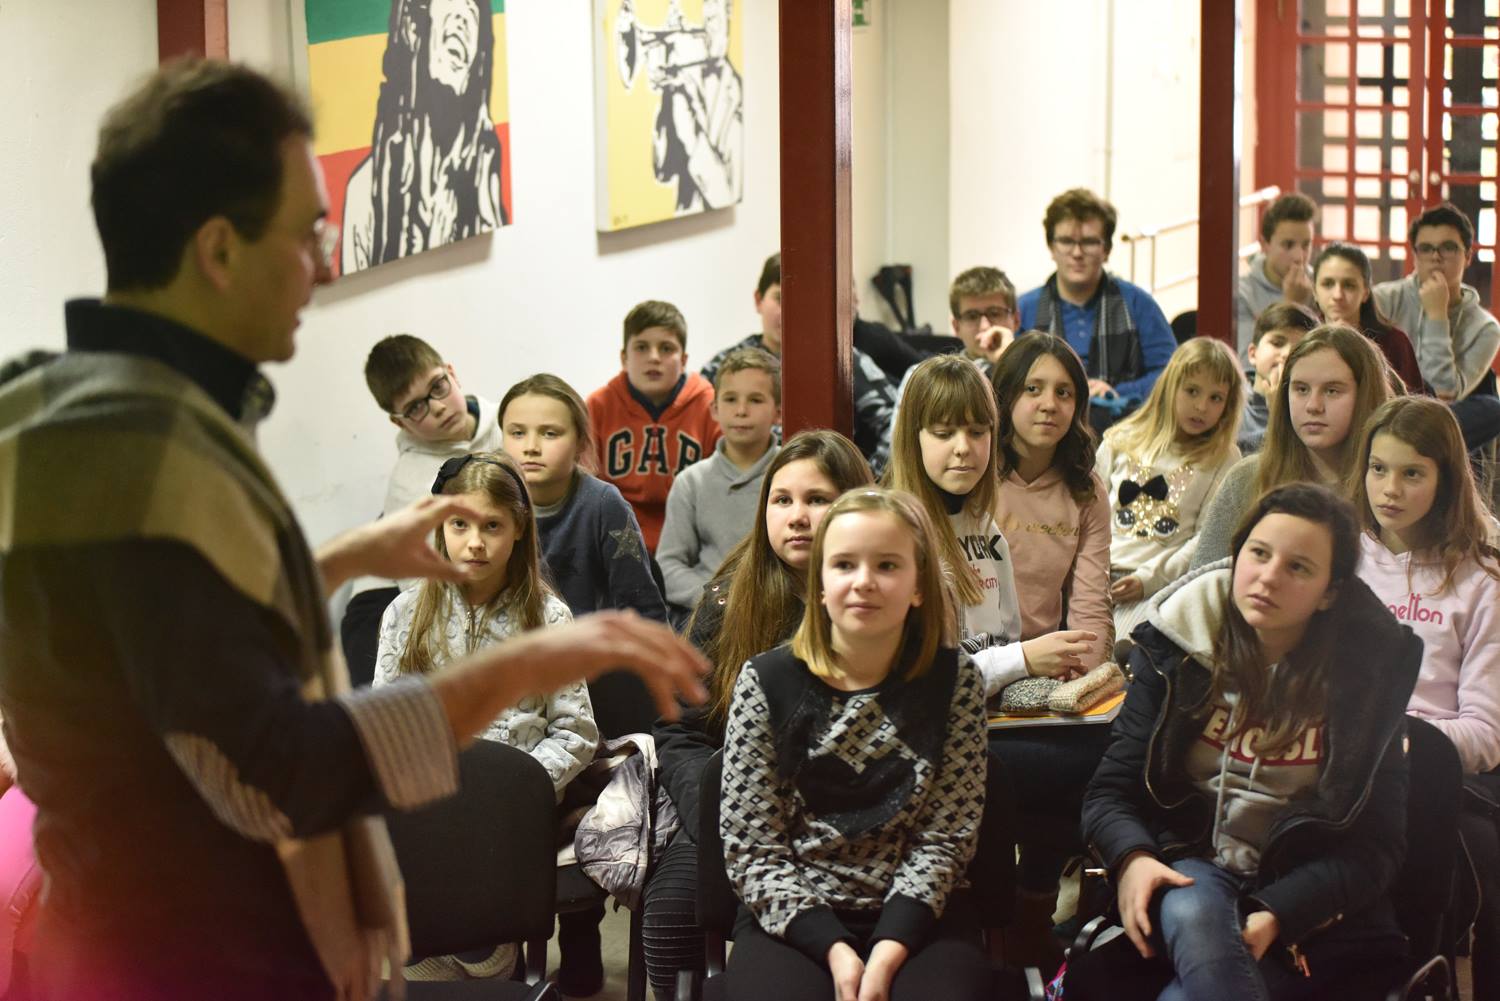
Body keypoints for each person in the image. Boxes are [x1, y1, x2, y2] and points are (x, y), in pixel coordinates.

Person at [0, 59, 707, 1001]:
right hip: (184, 953)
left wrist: (328, 560)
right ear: (218, 250)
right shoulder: (158, 456)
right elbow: (283, 767)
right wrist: (521, 665)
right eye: (306, 233)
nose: (326, 263)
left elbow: (161, 648)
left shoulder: (46, 403)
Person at [1068, 483, 1418, 1000]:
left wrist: (1278, 913)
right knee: (1191, 908)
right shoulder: (1175, 647)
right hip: (1191, 869)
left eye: (1298, 567)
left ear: (1330, 592)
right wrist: (1133, 857)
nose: (1269, 576)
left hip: (1306, 899)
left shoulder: (1369, 681)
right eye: (1258, 553)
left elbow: (1377, 848)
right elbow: (1109, 793)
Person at [718, 488, 992, 1001]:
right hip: (793, 910)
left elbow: (946, 837)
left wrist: (887, 951)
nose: (864, 581)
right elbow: (753, 848)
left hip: (921, 909)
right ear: (820, 585)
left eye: (887, 565)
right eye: (844, 565)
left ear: (918, 586)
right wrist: (835, 950)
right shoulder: (766, 682)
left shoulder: (956, 681)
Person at [645, 431, 874, 997]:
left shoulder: (883, 597)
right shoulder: (728, 600)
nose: (797, 517)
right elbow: (679, 733)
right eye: (782, 499)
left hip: (855, 824)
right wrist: (718, 814)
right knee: (670, 915)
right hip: (734, 814)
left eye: (817, 499)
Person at [374, 451, 598, 984]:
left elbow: (576, 732)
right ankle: (423, 952)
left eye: (492, 526)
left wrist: (517, 789)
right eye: (460, 525)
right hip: (429, 804)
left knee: (480, 954)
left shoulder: (549, 620)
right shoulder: (404, 614)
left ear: (519, 529)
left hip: (509, 812)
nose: (475, 542)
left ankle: (491, 954)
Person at [1349, 395, 1500, 999]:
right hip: (1331, 759)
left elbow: (1485, 734)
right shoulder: (1341, 557)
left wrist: (1399, 741)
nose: (1389, 489)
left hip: (1431, 770)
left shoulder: (1481, 579)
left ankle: (1415, 973)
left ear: (1446, 480)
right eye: (1378, 468)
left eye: (1412, 473)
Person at [987, 334, 1112, 971]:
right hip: (982, 665)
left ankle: (1035, 903)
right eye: (1033, 389)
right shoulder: (976, 472)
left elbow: (1091, 605)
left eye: (1064, 392)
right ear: (1005, 396)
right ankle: (996, 914)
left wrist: (1082, 688)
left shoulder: (1085, 488)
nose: (1049, 404)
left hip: (1046, 674)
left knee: (1096, 750)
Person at [887, 355, 1099, 699]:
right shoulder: (893, 535)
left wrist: (1043, 671)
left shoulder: (985, 526)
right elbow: (914, 683)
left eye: (977, 432)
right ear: (914, 439)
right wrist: (1022, 660)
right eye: (943, 433)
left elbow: (1003, 641)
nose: (963, 448)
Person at [342, 333, 504, 686]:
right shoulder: (411, 483)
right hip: (387, 595)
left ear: (452, 373)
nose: (438, 407)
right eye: (416, 407)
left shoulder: (509, 425)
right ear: (399, 423)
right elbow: (422, 587)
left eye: (438, 387)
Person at [1193, 324, 1394, 568]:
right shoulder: (1246, 479)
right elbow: (1201, 581)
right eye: (1301, 389)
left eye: (1332, 391)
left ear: (1364, 396)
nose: (1313, 405)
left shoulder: (1392, 488)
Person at [341, 0, 506, 273]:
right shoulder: (365, 192)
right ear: (412, 25)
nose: (463, 17)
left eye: (472, 7)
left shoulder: (483, 174)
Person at [700, 252, 900, 476]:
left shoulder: (843, 360)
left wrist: (866, 480)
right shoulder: (724, 366)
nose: (789, 311)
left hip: (827, 486)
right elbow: (698, 430)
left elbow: (897, 424)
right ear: (758, 300)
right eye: (779, 299)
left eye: (801, 301)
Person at [1096, 337, 1244, 638]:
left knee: (1126, 649)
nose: (1201, 406)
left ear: (1228, 406)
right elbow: (1087, 516)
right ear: (1170, 387)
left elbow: (1206, 540)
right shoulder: (1119, 439)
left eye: (1216, 398)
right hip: (1097, 577)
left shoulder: (1224, 457)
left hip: (1161, 588)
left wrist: (1148, 579)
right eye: (1192, 391)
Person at [499, 373, 666, 623]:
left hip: (590, 643)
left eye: (550, 433)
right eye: (517, 433)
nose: (531, 447)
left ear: (580, 442)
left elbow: (643, 611)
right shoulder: (492, 500)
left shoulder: (603, 504)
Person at [1016, 189, 1177, 428]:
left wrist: (1116, 393)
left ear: (1107, 250)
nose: (1077, 253)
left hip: (1125, 429)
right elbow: (1012, 384)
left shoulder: (1139, 304)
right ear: (1051, 247)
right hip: (1045, 431)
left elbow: (1171, 374)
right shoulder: (1024, 309)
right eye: (1066, 241)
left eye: (1089, 242)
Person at [657, 347, 782, 619]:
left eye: (755, 400)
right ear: (714, 409)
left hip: (776, 611)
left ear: (779, 413)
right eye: (730, 399)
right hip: (710, 616)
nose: (741, 411)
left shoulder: (791, 475)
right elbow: (669, 565)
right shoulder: (691, 482)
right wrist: (719, 598)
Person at [588, 299, 721, 553]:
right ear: (624, 358)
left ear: (684, 360)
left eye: (666, 348)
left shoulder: (710, 407)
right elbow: (585, 489)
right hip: (613, 538)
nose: (654, 357)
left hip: (692, 539)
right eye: (642, 347)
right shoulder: (598, 406)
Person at [1373, 201, 1500, 453]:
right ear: (1415, 256)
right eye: (1426, 248)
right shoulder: (1384, 300)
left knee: (1492, 408)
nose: (1435, 257)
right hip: (1385, 408)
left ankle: (1411, 449)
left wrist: (1437, 316)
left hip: (1438, 420)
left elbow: (1442, 394)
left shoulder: (1486, 328)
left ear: (1468, 256)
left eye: (1448, 248)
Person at [1312, 242, 1424, 392]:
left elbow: (1413, 403)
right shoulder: (1304, 338)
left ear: (1365, 292)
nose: (1338, 295)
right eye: (1328, 284)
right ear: (1314, 291)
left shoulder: (1395, 342)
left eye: (1349, 285)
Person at [1236, 192, 1317, 360]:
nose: (1299, 256)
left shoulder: (1322, 285)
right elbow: (1249, 363)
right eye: (1288, 245)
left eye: (1306, 245)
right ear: (1265, 245)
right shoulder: (1243, 293)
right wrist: (1292, 305)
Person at [1238, 303, 1319, 454]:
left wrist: (1280, 412)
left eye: (1299, 349)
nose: (1287, 353)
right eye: (1277, 343)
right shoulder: (1231, 403)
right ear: (1252, 354)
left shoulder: (1316, 407)